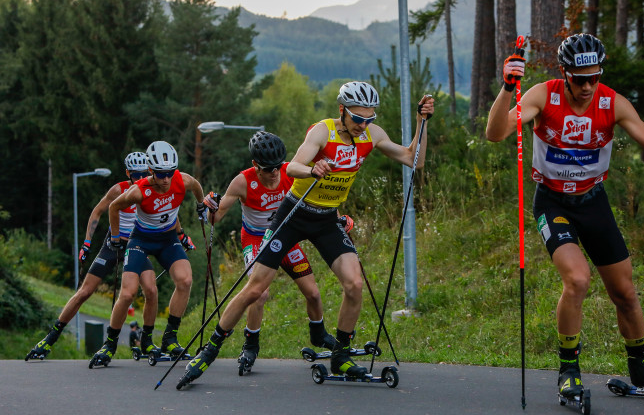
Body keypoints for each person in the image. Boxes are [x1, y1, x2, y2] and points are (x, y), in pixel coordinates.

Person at [180, 82, 434, 385]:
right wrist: (313, 169)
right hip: (294, 214)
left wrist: (421, 122)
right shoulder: (321, 132)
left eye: (369, 119)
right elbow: (293, 167)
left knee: (354, 284)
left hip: (326, 219)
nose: (363, 125)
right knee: (256, 287)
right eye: (357, 118)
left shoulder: (371, 135)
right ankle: (210, 350)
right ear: (342, 110)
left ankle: (340, 356)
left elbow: (413, 159)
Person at [486, 33, 644, 398]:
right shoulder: (544, 95)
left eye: (595, 76)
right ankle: (568, 370)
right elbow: (496, 133)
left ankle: (641, 369)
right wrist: (507, 89)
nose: (589, 86)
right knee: (577, 279)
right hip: (553, 203)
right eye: (581, 79)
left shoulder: (613, 102)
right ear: (565, 73)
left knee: (624, 292)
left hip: (593, 202)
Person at [202, 131, 340, 372]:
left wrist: (339, 220)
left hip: (285, 237)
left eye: (278, 166)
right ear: (255, 165)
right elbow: (217, 217)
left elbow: (320, 201)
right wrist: (207, 208)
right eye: (268, 168)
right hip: (256, 240)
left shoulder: (291, 171)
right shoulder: (242, 181)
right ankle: (251, 344)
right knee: (259, 294)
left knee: (314, 294)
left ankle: (318, 333)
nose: (275, 172)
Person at [25, 152, 162, 360]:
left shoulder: (153, 190)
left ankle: (147, 342)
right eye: (135, 175)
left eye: (144, 174)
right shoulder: (119, 189)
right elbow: (97, 212)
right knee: (85, 292)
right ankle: (49, 339)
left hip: (136, 246)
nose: (139, 178)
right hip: (113, 244)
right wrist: (87, 243)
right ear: (128, 173)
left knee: (151, 290)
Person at [89, 140, 207, 366]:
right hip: (141, 241)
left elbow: (196, 187)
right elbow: (113, 207)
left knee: (185, 280)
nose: (166, 179)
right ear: (151, 171)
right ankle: (110, 343)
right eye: (161, 174)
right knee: (127, 293)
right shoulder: (139, 190)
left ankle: (170, 338)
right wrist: (115, 238)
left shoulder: (182, 180)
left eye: (170, 173)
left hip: (167, 239)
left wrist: (201, 204)